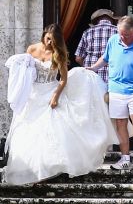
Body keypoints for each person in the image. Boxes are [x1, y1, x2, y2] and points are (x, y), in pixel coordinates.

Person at [4, 24, 119, 185]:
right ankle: (32, 168)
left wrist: (56, 96)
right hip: (33, 95)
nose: (49, 42)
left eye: (53, 39)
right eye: (48, 38)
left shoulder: (59, 54)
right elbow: (24, 69)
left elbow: (63, 79)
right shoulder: (32, 49)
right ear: (44, 35)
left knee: (51, 130)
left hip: (50, 92)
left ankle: (49, 168)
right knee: (28, 130)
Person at [87, 16, 133, 170]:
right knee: (120, 122)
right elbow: (106, 58)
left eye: (126, 35)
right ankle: (125, 158)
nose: (122, 37)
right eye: (120, 34)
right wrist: (94, 68)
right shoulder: (113, 40)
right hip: (116, 87)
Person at [75, 9, 118, 84]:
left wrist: (87, 66)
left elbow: (78, 58)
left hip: (92, 77)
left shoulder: (87, 32)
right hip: (112, 76)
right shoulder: (118, 32)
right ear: (111, 19)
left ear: (97, 20)